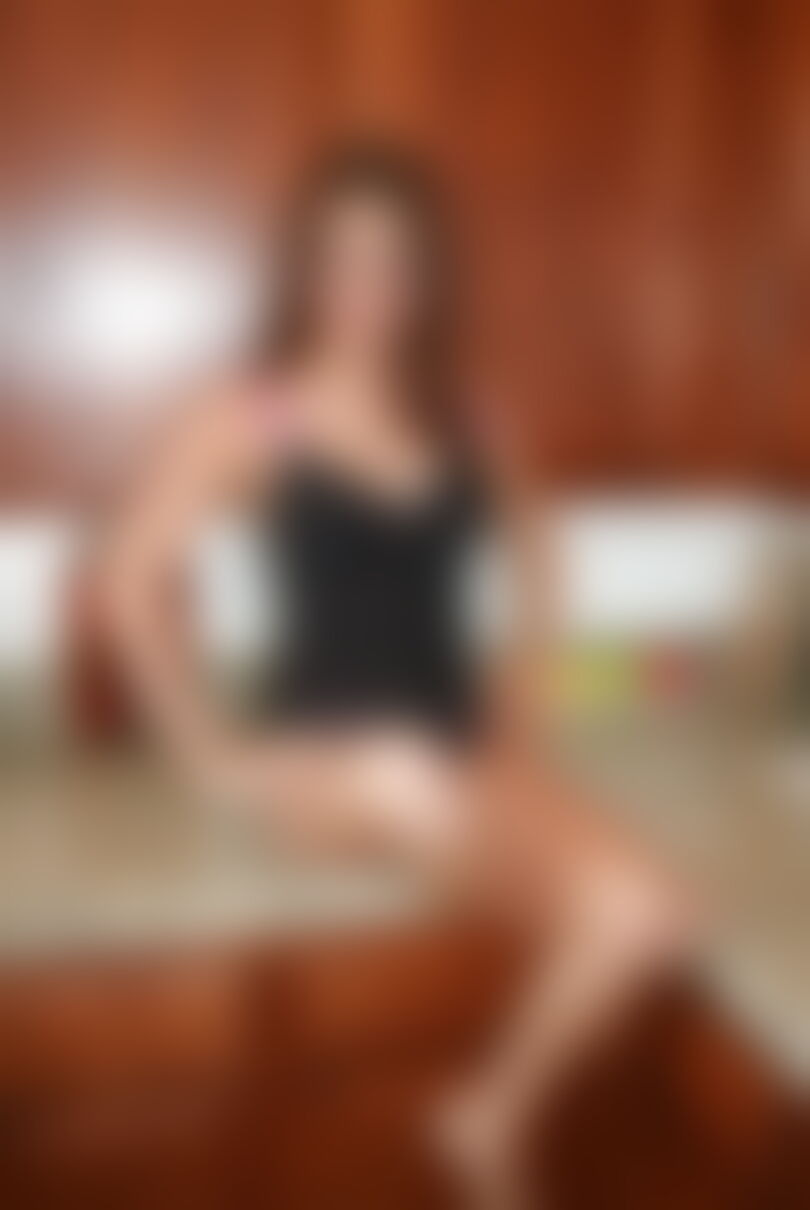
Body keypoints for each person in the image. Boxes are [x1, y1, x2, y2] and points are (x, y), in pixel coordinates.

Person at [104, 141, 692, 1209]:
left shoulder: (464, 409)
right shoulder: (255, 413)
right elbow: (130, 579)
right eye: (340, 258)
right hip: (327, 760)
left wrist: (527, 675)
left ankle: (486, 1114)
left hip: (462, 742)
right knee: (401, 771)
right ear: (304, 268)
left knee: (649, 909)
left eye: (393, 261)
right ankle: (499, 876)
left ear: (428, 279)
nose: (364, 288)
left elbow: (538, 540)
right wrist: (209, 757)